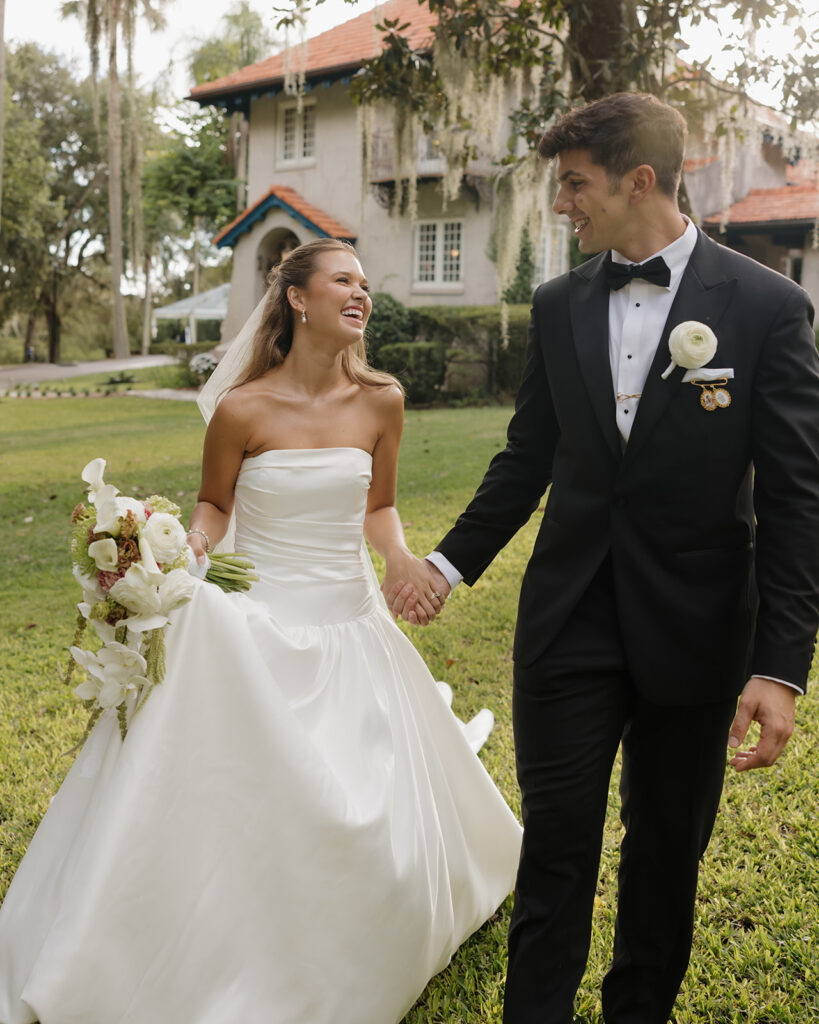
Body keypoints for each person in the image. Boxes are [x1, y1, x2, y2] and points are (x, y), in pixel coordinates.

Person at [0, 239, 522, 1024]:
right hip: (257, 617)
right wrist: (184, 548)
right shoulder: (241, 408)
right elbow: (214, 507)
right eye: (343, 281)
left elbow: (376, 507)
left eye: (365, 285)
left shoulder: (382, 399)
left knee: (363, 786)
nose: (362, 295)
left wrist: (401, 562)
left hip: (349, 618)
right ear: (298, 300)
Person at [388, 92, 819, 1023]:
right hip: (567, 621)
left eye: (574, 184)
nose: (560, 204)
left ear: (639, 181)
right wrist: (446, 564)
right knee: (554, 854)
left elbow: (794, 501)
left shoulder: (767, 308)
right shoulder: (554, 305)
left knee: (664, 861)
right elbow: (526, 456)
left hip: (698, 630)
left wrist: (780, 666)